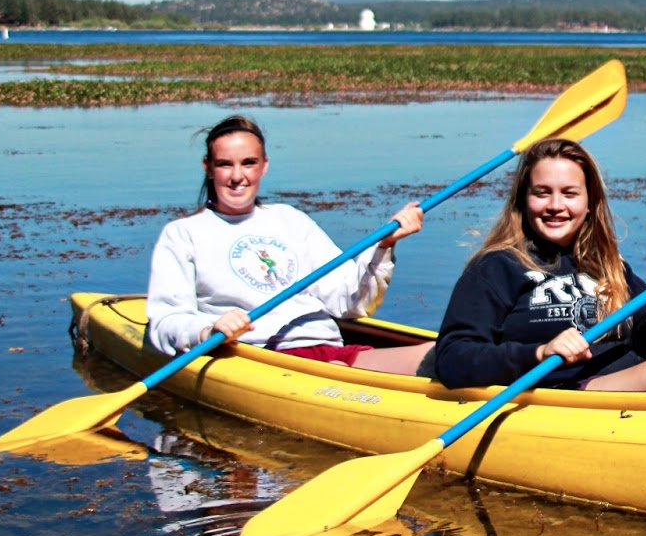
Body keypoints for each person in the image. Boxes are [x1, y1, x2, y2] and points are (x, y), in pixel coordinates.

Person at [426, 137, 646, 391]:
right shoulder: (496, 267)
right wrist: (540, 352)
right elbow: (453, 358)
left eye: (569, 193)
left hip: (623, 380)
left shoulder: (607, 264)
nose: (555, 205)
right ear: (522, 201)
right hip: (564, 392)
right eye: (542, 192)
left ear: (589, 203)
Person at [146, 114, 432, 374]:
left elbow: (350, 303)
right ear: (208, 168)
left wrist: (384, 245)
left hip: (328, 350)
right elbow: (165, 322)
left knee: (439, 354)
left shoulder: (290, 220)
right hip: (259, 359)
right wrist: (208, 329)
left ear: (264, 166)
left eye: (248, 163)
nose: (237, 177)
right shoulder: (183, 233)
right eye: (224, 164)